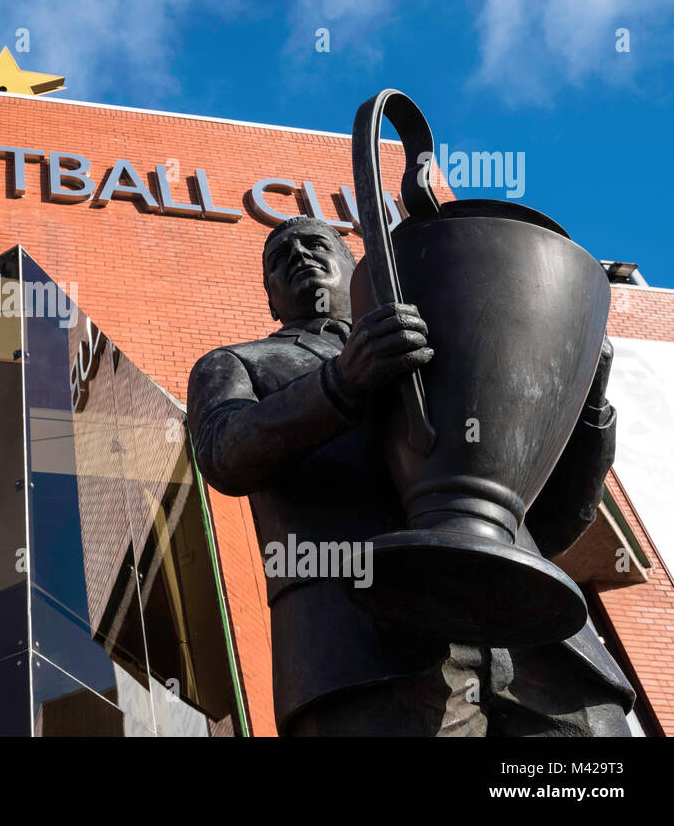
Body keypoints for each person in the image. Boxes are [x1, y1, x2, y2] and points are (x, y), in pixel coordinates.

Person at [187, 214, 635, 736]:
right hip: (365, 647)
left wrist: (587, 408)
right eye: (280, 260)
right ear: (270, 299)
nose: (301, 257)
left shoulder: (451, 341)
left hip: (534, 645)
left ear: (359, 271)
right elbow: (225, 454)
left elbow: (554, 523)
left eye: (315, 245)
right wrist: (341, 382)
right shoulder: (238, 363)